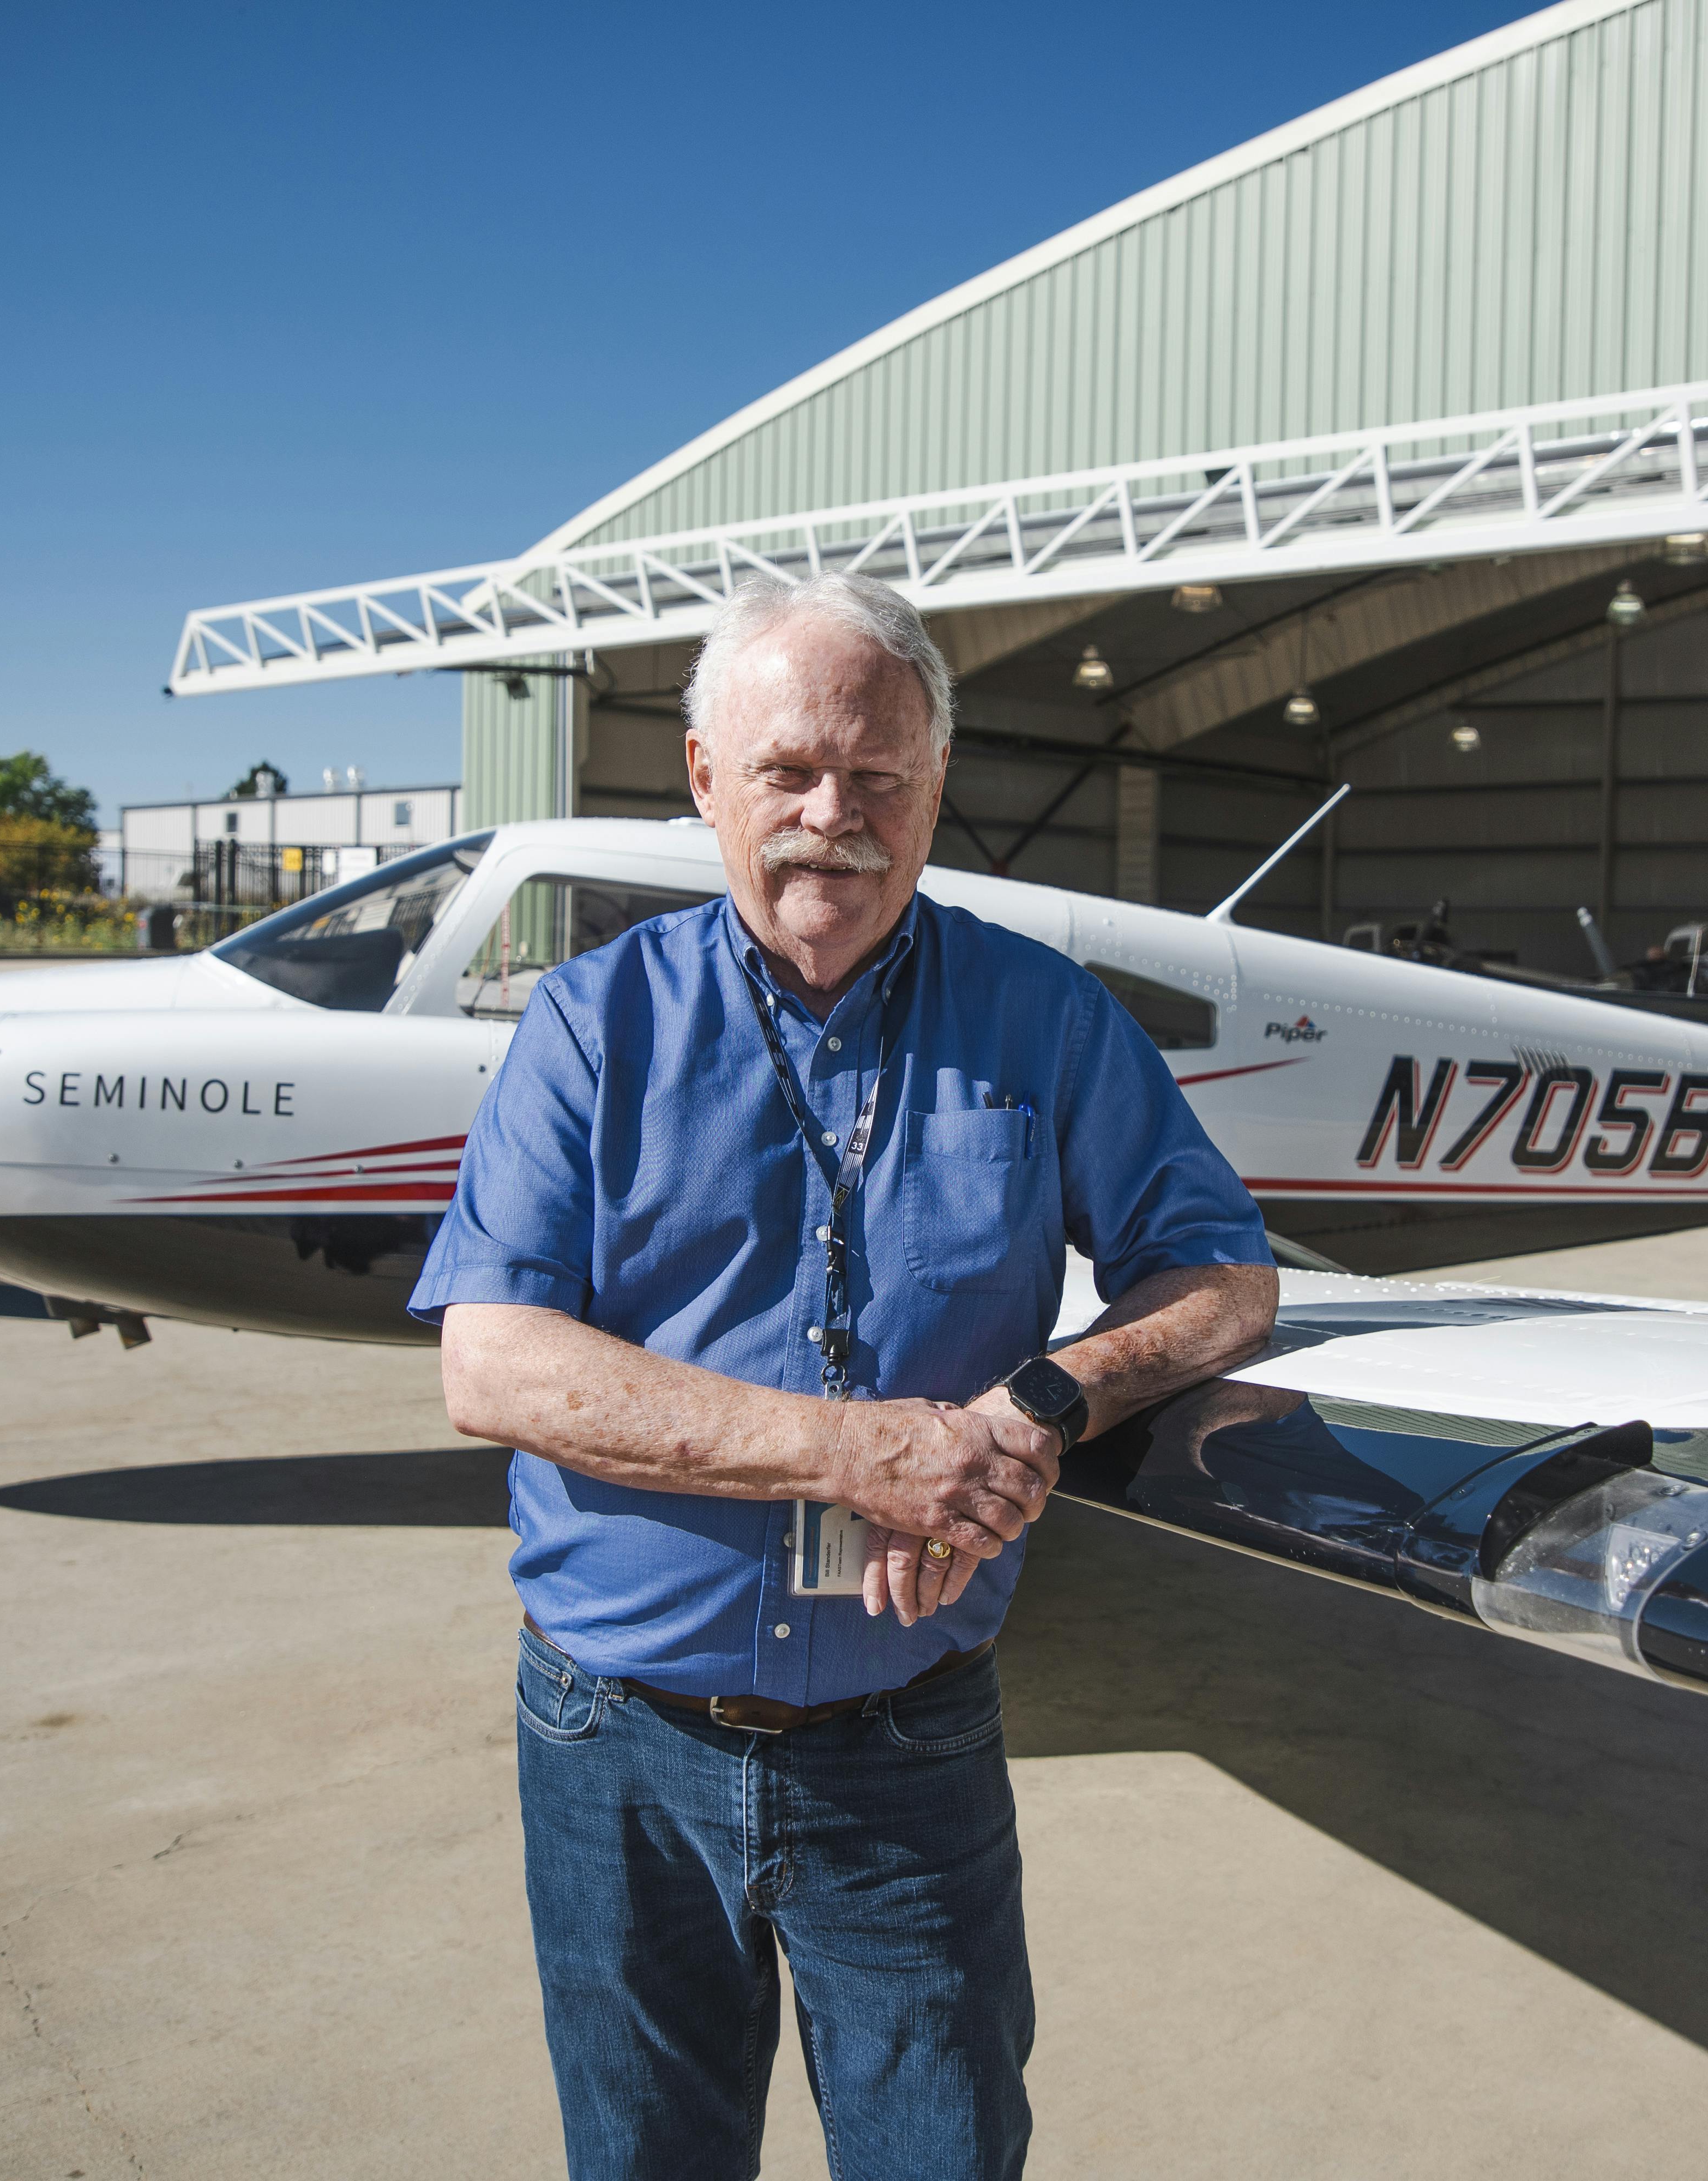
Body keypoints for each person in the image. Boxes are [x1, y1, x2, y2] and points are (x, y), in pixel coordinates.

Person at [414, 570, 1279, 2181]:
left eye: (882, 780)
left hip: (905, 1747)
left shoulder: (1044, 1018)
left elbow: (1229, 1281)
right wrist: (847, 1452)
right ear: (702, 779)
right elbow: (495, 1363)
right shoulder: (595, 1027)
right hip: (618, 1744)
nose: (837, 816)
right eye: (790, 773)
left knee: (942, 2154)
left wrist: (1046, 1400)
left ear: (935, 793)